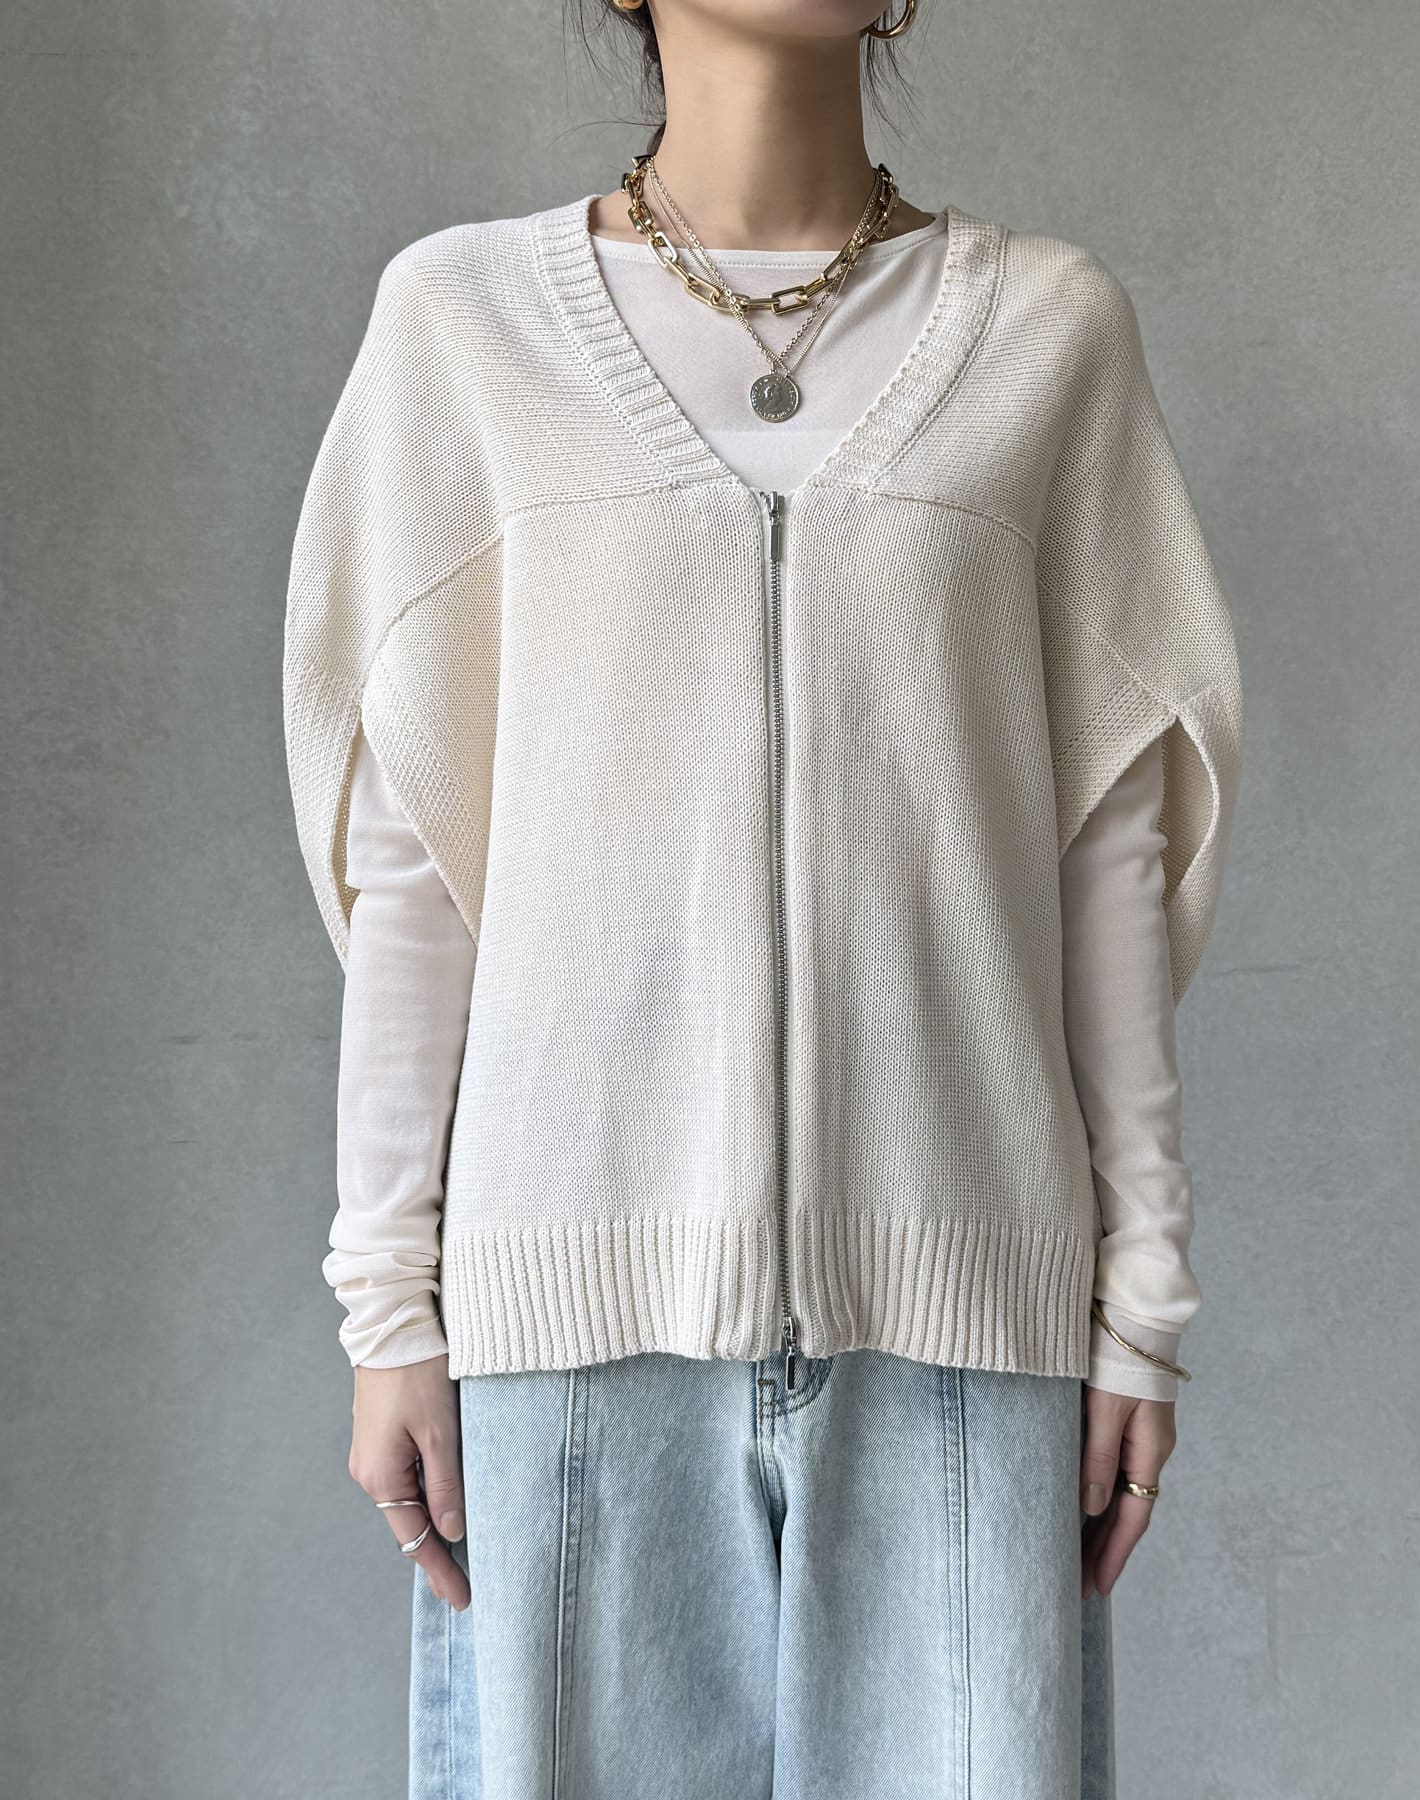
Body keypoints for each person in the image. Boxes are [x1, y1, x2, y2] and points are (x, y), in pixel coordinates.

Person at [282, 2, 1244, 1793]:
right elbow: (415, 853)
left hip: (964, 1319)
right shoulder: (463, 324)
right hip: (570, 1322)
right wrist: (389, 1302)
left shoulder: (1050, 330)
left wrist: (1142, 1302)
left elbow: (1104, 845)